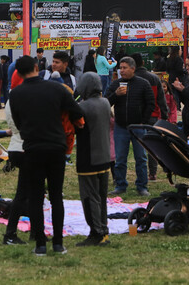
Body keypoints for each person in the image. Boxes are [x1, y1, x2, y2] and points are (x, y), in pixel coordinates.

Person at [9, 55, 84, 256]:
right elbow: (76, 112)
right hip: (56, 146)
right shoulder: (57, 89)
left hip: (32, 147)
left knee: (35, 196)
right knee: (56, 196)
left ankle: (40, 244)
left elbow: (18, 122)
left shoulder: (16, 95)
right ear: (36, 67)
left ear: (18, 72)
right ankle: (58, 243)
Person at [106, 56, 155, 197]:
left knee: (141, 158)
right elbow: (106, 102)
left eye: (124, 68)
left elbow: (150, 103)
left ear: (133, 69)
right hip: (121, 126)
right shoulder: (116, 84)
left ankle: (142, 186)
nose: (121, 71)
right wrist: (116, 95)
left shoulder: (143, 84)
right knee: (120, 158)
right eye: (120, 68)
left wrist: (143, 121)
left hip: (138, 127)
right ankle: (120, 185)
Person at [74, 72, 112, 247]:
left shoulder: (83, 106)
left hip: (88, 157)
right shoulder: (105, 103)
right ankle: (104, 230)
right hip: (104, 156)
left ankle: (96, 232)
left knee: (90, 197)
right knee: (102, 197)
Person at [131, 53, 168, 181]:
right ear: (143, 62)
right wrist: (165, 114)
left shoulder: (132, 79)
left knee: (138, 147)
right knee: (152, 146)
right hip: (154, 115)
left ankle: (140, 174)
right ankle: (152, 172)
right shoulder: (154, 78)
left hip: (136, 117)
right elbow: (161, 98)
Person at [2, 76, 27, 245]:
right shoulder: (25, 98)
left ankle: (13, 232)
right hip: (26, 147)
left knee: (26, 191)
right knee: (26, 192)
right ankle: (10, 233)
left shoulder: (11, 100)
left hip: (16, 146)